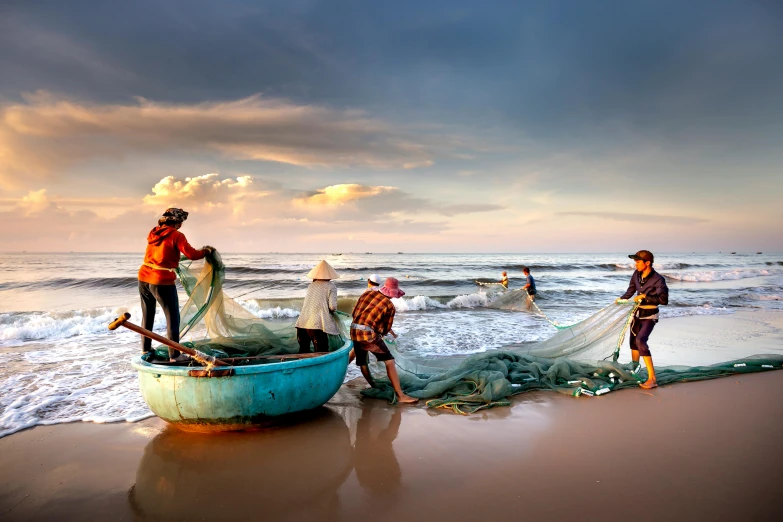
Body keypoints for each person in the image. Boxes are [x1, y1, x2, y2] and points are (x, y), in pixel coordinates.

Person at [138, 208, 213, 362]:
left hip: (143, 277)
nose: (181, 226)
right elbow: (192, 254)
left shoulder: (153, 233)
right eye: (181, 223)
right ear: (177, 223)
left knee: (148, 314)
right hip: (161, 280)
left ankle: (145, 348)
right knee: (172, 317)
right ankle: (175, 355)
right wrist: (206, 251)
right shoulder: (177, 235)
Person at [350, 277, 418, 404]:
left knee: (363, 362)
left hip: (354, 330)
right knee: (390, 361)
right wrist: (378, 334)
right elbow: (385, 329)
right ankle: (401, 395)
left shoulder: (367, 293)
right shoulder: (389, 305)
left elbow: (354, 313)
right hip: (368, 335)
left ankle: (373, 385)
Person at [616, 250, 669, 389]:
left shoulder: (658, 279)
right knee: (633, 342)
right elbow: (631, 290)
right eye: (635, 262)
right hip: (637, 313)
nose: (636, 265)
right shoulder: (636, 275)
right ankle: (635, 372)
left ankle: (652, 379)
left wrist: (645, 296)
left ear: (647, 263)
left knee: (641, 341)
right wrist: (622, 299)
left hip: (650, 315)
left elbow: (664, 300)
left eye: (638, 262)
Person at [295, 260, 340, 354]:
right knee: (321, 352)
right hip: (316, 325)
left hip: (302, 323)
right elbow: (333, 306)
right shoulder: (331, 286)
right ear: (329, 275)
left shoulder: (311, 286)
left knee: (303, 352)